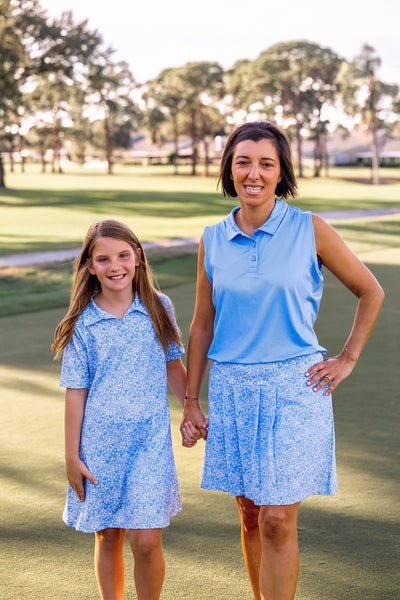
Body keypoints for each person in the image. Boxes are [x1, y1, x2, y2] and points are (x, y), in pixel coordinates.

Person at [180, 121, 384, 600]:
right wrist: (191, 399)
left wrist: (347, 357)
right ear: (229, 170)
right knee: (251, 515)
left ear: (280, 172)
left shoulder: (309, 227)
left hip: (295, 388)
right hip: (232, 386)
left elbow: (370, 291)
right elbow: (202, 325)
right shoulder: (212, 239)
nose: (253, 173)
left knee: (276, 517)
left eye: (265, 163)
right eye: (243, 162)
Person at [52, 219, 199, 600]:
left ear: (138, 257)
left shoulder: (158, 306)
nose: (115, 266)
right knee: (110, 535)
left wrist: (192, 411)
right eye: (103, 259)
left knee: (147, 541)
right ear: (89, 266)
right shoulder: (83, 323)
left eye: (122, 255)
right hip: (99, 448)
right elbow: (75, 394)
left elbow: (173, 366)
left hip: (149, 444)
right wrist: (71, 457)